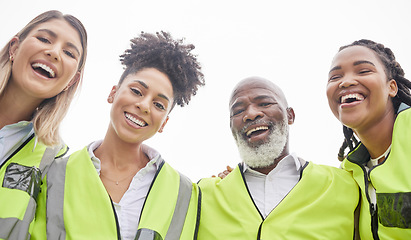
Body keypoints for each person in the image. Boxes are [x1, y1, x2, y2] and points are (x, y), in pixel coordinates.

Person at [34, 31, 204, 240]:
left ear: (164, 122)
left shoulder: (184, 192)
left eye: (158, 104)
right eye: (136, 91)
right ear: (113, 93)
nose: (143, 105)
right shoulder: (55, 173)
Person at [197, 77, 359, 239]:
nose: (251, 114)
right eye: (238, 111)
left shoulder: (345, 184)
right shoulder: (202, 195)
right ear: (231, 128)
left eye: (265, 103)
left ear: (290, 116)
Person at [0, 10, 87, 239]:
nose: (54, 52)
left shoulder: (56, 162)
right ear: (14, 48)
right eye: (44, 39)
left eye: (69, 52)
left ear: (72, 81)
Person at [326, 39, 411, 239]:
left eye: (363, 71)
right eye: (335, 76)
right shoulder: (349, 172)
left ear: (392, 87)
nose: (345, 82)